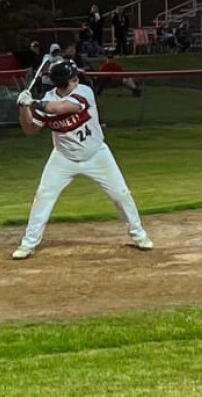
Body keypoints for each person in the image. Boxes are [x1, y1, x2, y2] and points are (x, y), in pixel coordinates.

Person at [11, 58, 153, 259]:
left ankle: (139, 235)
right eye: (73, 77)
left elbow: (61, 108)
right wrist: (23, 108)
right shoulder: (46, 99)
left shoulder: (83, 92)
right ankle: (28, 244)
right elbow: (29, 129)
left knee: (121, 195)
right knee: (43, 197)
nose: (77, 79)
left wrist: (33, 103)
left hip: (97, 155)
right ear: (64, 82)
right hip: (63, 158)